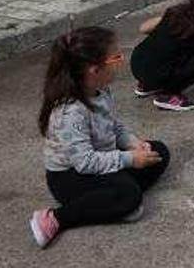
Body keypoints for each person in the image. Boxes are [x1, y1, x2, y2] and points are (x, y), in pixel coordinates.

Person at [29, 27, 169, 248]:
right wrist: (130, 159)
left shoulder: (101, 90)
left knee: (158, 151)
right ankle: (55, 218)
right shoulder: (70, 111)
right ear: (95, 70)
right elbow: (85, 163)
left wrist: (134, 143)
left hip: (102, 161)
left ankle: (114, 202)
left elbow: (114, 127)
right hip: (71, 177)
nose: (121, 61)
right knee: (128, 194)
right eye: (116, 57)